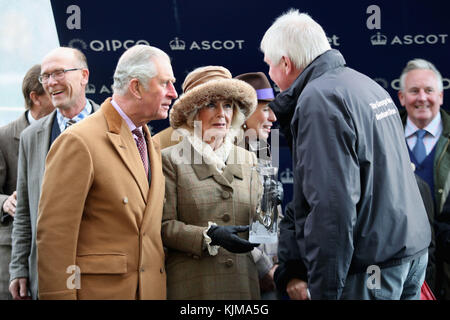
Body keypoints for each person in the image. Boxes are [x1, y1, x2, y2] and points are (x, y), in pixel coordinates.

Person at [261, 9, 431, 300]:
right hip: (407, 256)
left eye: (270, 66)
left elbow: (332, 205)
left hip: (371, 270)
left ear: (286, 63)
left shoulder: (319, 99)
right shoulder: (365, 85)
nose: (270, 75)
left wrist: (326, 290)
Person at [36, 44, 177, 300]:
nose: (173, 93)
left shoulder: (149, 142)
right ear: (136, 87)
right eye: (165, 83)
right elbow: (56, 236)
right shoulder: (79, 141)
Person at [161, 65, 260, 299]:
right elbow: (162, 226)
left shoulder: (249, 159)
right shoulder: (170, 159)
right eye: (211, 105)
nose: (222, 114)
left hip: (242, 287)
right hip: (194, 288)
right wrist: (208, 236)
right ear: (193, 113)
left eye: (227, 105)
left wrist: (271, 213)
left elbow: (261, 224)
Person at [9, 47, 99, 300]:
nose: (51, 83)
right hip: (49, 274)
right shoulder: (31, 137)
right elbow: (25, 211)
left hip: (103, 273)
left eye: (58, 73)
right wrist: (18, 268)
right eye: (45, 76)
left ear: (84, 76)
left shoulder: (116, 128)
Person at [0, 65, 54, 299]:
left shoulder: (70, 131)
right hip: (14, 248)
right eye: (51, 92)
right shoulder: (4, 137)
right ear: (35, 98)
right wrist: (4, 203)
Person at [397, 58, 450, 299]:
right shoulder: (381, 137)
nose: (422, 98)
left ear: (440, 95)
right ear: (401, 97)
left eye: (429, 91)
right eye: (414, 91)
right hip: (397, 271)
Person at [234, 71, 281, 299]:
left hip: (271, 276)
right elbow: (231, 223)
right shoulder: (227, 156)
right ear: (243, 113)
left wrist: (277, 264)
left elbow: (268, 218)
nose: (273, 117)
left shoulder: (262, 150)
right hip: (242, 277)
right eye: (265, 109)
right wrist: (264, 268)